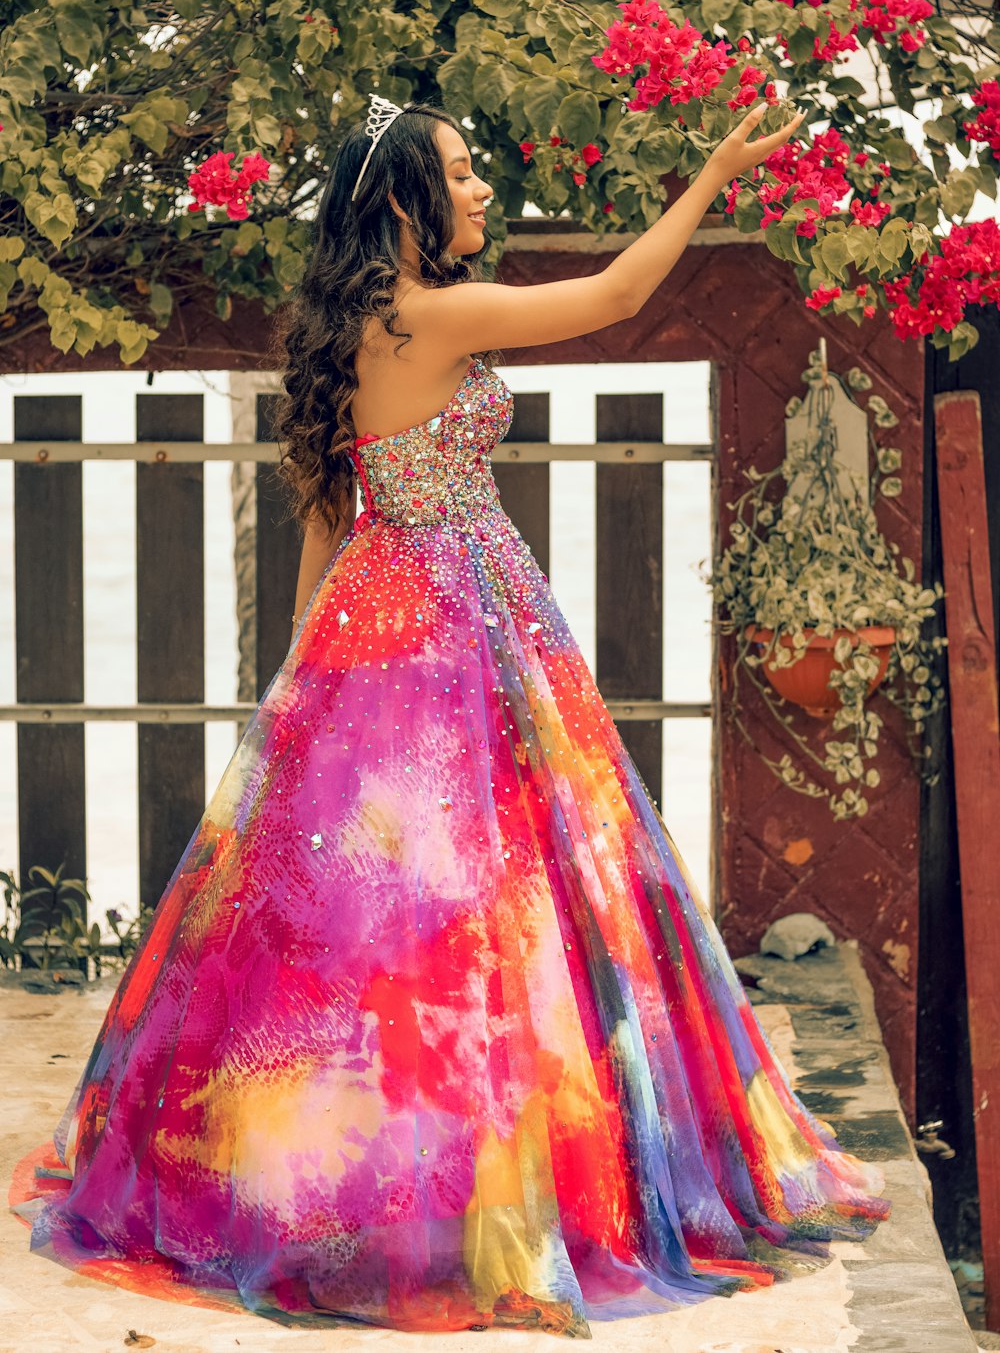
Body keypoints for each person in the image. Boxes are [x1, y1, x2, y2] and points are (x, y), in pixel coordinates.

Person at [10, 91, 890, 1338]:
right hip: (450, 617)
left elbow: (326, 522)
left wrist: (296, 690)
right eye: (463, 174)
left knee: (372, 925)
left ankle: (350, 1179)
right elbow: (620, 297)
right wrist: (709, 175)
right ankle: (466, 1200)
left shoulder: (350, 330)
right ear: (403, 203)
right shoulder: (427, 313)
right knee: (475, 913)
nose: (483, 191)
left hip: (383, 615)